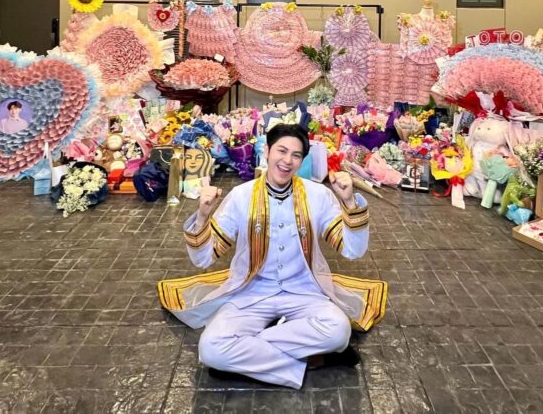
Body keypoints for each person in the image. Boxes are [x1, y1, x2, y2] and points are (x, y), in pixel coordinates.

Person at [158, 123, 387, 389]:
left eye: (296, 155)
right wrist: (202, 215)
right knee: (210, 349)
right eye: (281, 151)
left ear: (302, 160)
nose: (287, 161)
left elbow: (352, 250)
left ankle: (248, 356)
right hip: (250, 294)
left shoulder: (318, 195)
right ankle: (312, 360)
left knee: (339, 330)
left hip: (304, 292)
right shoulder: (241, 196)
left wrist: (348, 202)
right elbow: (203, 258)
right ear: (266, 151)